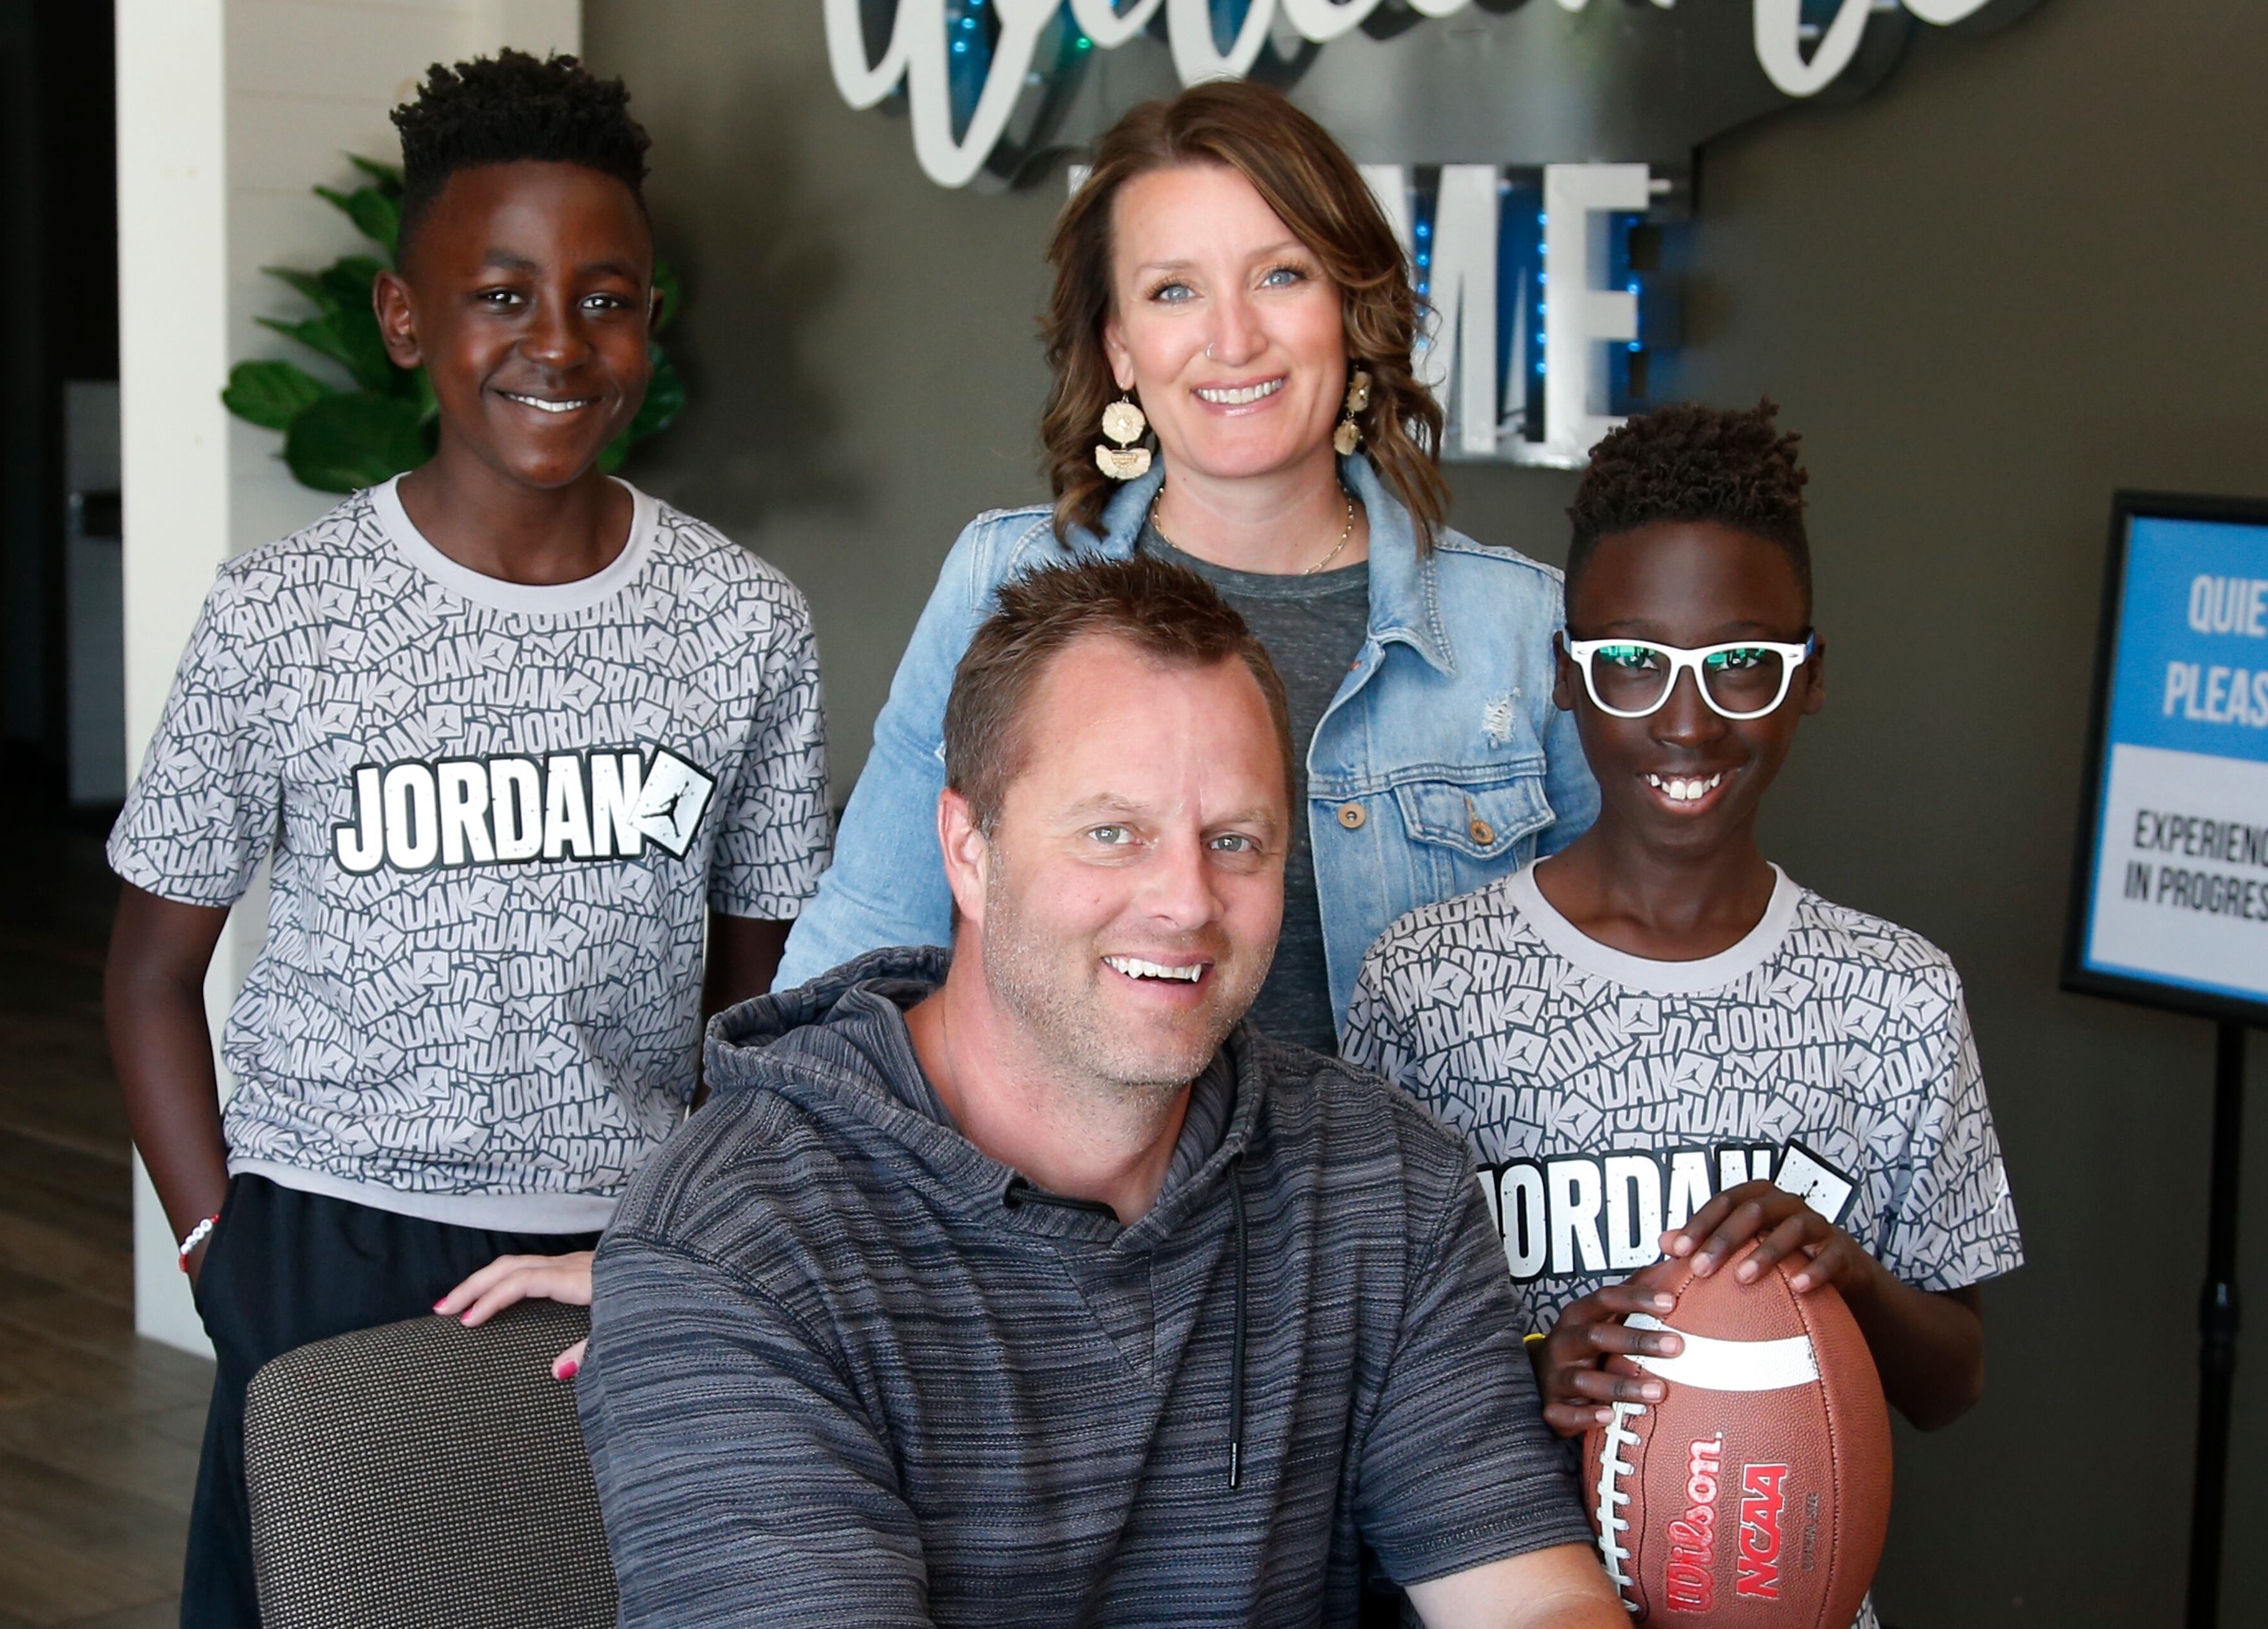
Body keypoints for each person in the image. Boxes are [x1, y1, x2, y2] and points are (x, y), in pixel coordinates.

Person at [103, 52, 829, 1629]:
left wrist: (690, 1236)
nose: (560, 342)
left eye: (609, 297)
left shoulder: (742, 621)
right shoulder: (280, 617)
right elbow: (151, 973)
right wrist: (221, 1242)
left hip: (620, 1256)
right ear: (406, 318)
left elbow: (757, 1005)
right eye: (502, 294)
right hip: (325, 1241)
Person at [578, 556, 1628, 1629]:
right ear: (968, 850)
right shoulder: (738, 1241)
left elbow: (1533, 1597)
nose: (1186, 900)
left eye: (1236, 842)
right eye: (1112, 833)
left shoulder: (1379, 1176)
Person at [1341, 403, 2022, 1626]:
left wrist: (1848, 1279)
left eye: (1742, 664)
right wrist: (1540, 1367)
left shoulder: (1895, 995)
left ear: (1808, 677)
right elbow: (1360, 1377)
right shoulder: (1429, 983)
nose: (1688, 720)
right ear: (1565, 672)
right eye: (1632, 663)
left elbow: (1952, 1384)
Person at [774, 81, 1596, 1052]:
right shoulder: (1003, 580)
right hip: (1067, 1204)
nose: (1234, 338)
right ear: (1120, 345)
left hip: (1421, 1201)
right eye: (1175, 291)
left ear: (1349, 304)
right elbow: (852, 968)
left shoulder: (1516, 627)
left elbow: (1614, 1004)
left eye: (1281, 276)